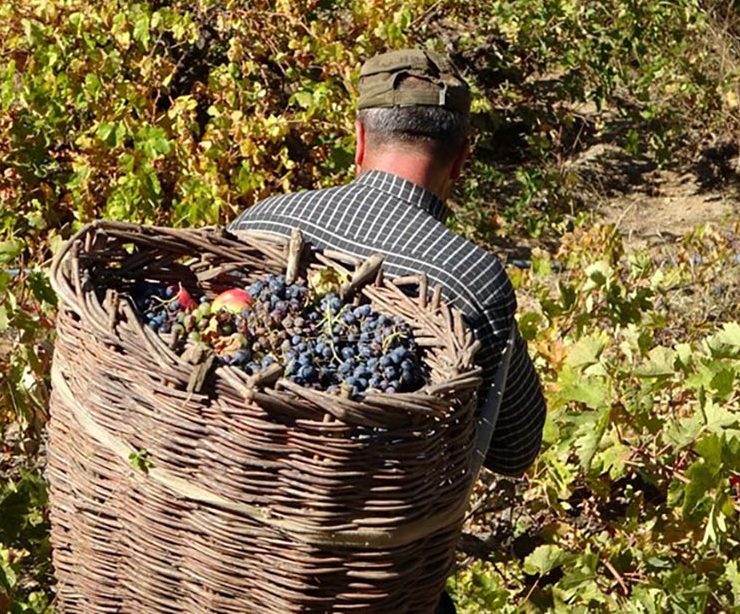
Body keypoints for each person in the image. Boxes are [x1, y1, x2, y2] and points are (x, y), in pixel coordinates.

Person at [228, 48, 547, 612]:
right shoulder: (470, 278)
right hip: (361, 578)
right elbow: (515, 448)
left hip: (227, 532)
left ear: (359, 139)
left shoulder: (261, 222)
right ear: (461, 160)